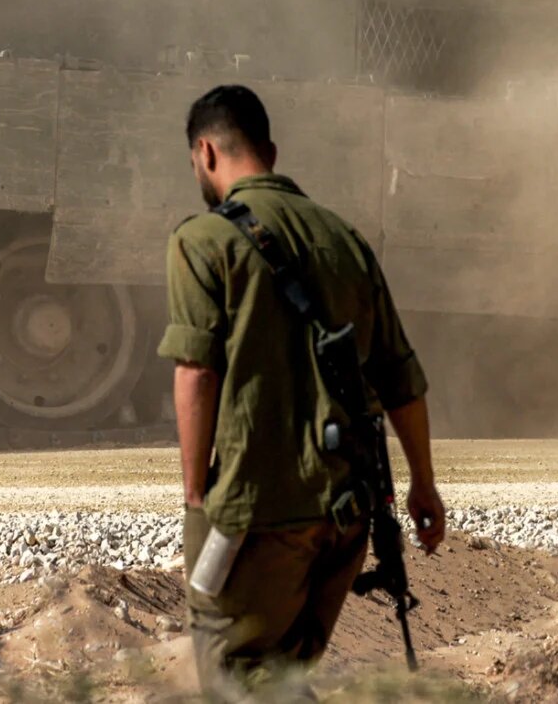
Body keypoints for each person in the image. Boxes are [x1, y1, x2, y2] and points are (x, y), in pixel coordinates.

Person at [161, 84, 446, 693]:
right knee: (283, 676)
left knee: (236, 675)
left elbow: (197, 372)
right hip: (347, 514)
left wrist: (194, 498)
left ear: (206, 153)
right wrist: (423, 484)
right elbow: (400, 375)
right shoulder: (345, 239)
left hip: (258, 512)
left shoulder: (202, 242)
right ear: (271, 149)